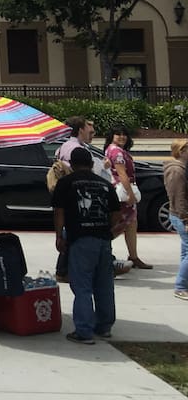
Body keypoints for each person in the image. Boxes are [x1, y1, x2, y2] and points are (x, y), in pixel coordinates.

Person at [53, 147, 121, 344]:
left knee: (82, 286)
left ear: (71, 165)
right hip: (103, 240)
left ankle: (84, 331)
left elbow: (59, 212)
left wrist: (59, 236)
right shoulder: (104, 183)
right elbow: (116, 215)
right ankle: (105, 326)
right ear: (92, 164)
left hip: (80, 239)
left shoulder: (66, 183)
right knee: (104, 285)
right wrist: (107, 229)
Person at [104, 124, 151, 269]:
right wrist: (130, 194)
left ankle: (133, 256)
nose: (122, 137)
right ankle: (103, 252)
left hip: (121, 191)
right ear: (112, 136)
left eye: (124, 134)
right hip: (122, 193)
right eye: (118, 134)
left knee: (131, 224)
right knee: (119, 225)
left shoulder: (112, 150)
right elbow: (122, 174)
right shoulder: (116, 152)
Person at [164, 139, 188, 301]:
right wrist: (185, 219)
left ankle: (183, 283)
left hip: (181, 215)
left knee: (186, 251)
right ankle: (180, 286)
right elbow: (178, 197)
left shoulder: (183, 169)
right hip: (182, 216)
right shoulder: (176, 171)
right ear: (181, 151)